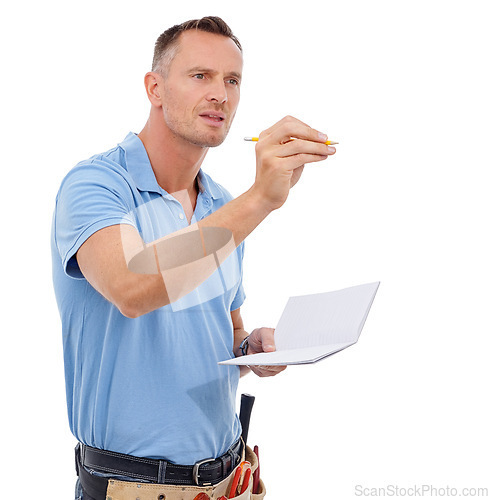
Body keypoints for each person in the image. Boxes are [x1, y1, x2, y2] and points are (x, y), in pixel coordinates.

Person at [51, 16, 336, 500]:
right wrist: (260, 199)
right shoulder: (96, 186)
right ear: (155, 88)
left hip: (230, 481)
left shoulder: (221, 207)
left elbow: (228, 335)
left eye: (232, 81)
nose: (220, 95)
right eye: (200, 76)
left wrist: (254, 351)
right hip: (132, 488)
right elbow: (132, 288)